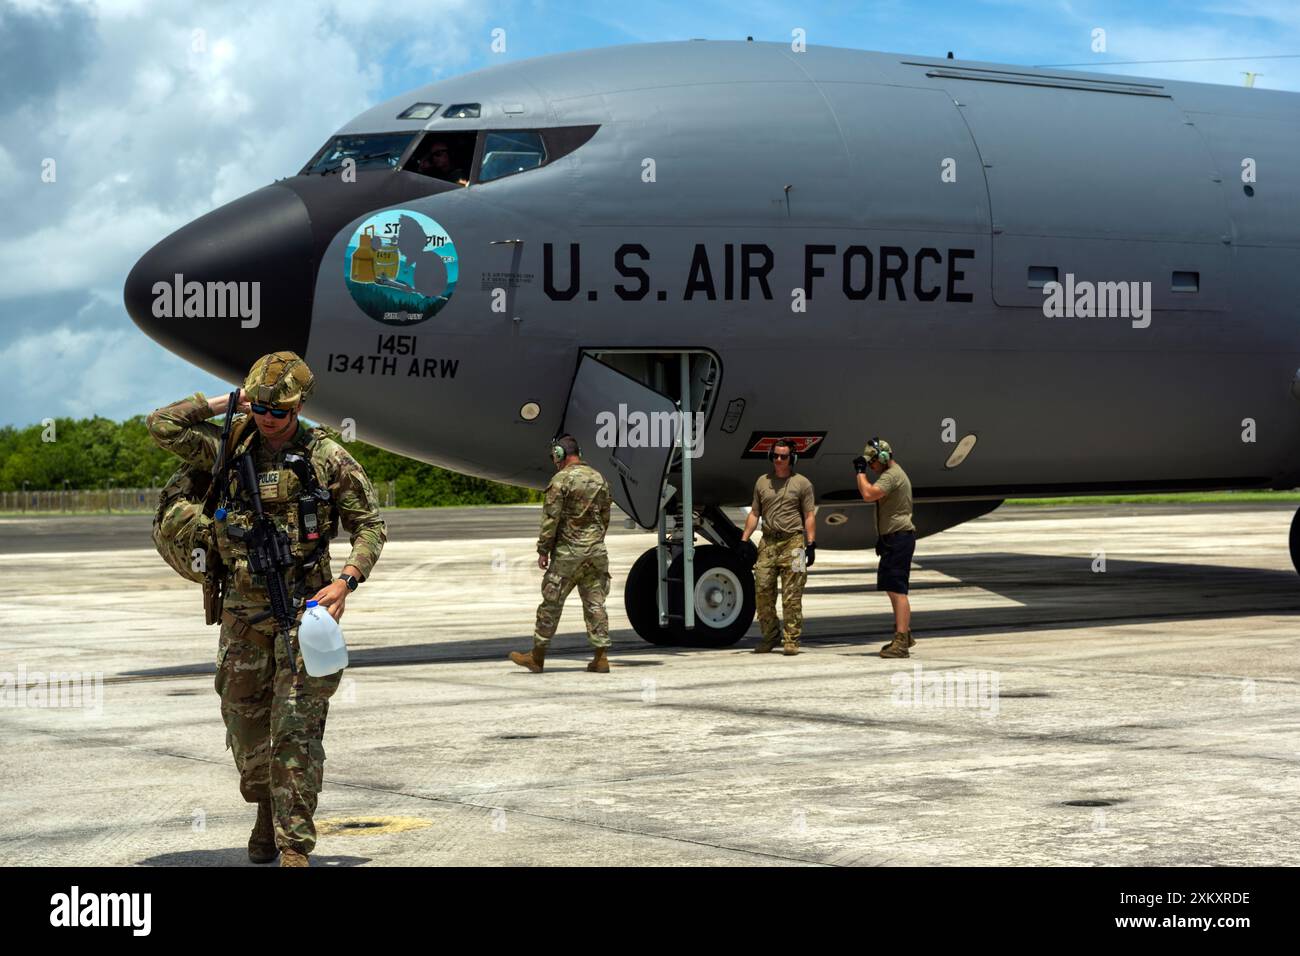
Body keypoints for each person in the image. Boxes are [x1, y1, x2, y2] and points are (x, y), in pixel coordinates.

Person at [146, 351, 386, 867]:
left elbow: (371, 526)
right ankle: (264, 810)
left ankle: (294, 845)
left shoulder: (327, 458)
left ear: (299, 406)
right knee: (245, 727)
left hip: (303, 611)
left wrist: (346, 581)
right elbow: (162, 425)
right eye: (259, 407)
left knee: (297, 730)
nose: (268, 418)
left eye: (278, 411)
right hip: (240, 615)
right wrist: (226, 403)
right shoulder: (231, 444)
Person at [510, 435, 613, 673]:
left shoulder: (560, 480)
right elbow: (605, 516)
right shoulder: (599, 478)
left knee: (551, 604)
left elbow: (550, 519)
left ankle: (536, 657)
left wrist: (543, 549)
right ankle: (601, 657)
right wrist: (594, 540)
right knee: (595, 604)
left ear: (559, 455)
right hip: (596, 553)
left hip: (568, 554)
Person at [738, 438, 817, 655]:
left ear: (792, 458)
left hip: (794, 542)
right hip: (768, 542)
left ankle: (791, 639)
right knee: (762, 590)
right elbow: (755, 513)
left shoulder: (803, 483)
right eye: (775, 456)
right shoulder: (762, 482)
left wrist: (810, 544)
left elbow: (809, 515)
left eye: (784, 456)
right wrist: (744, 539)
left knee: (792, 595)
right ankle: (770, 636)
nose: (779, 460)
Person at [853, 437, 915, 658]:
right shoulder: (891, 474)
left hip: (899, 538)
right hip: (894, 537)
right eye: (867, 465)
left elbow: (868, 495)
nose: (870, 467)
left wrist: (859, 473)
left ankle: (901, 642)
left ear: (883, 458)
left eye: (871, 463)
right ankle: (904, 633)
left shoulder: (891, 476)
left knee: (898, 590)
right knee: (893, 587)